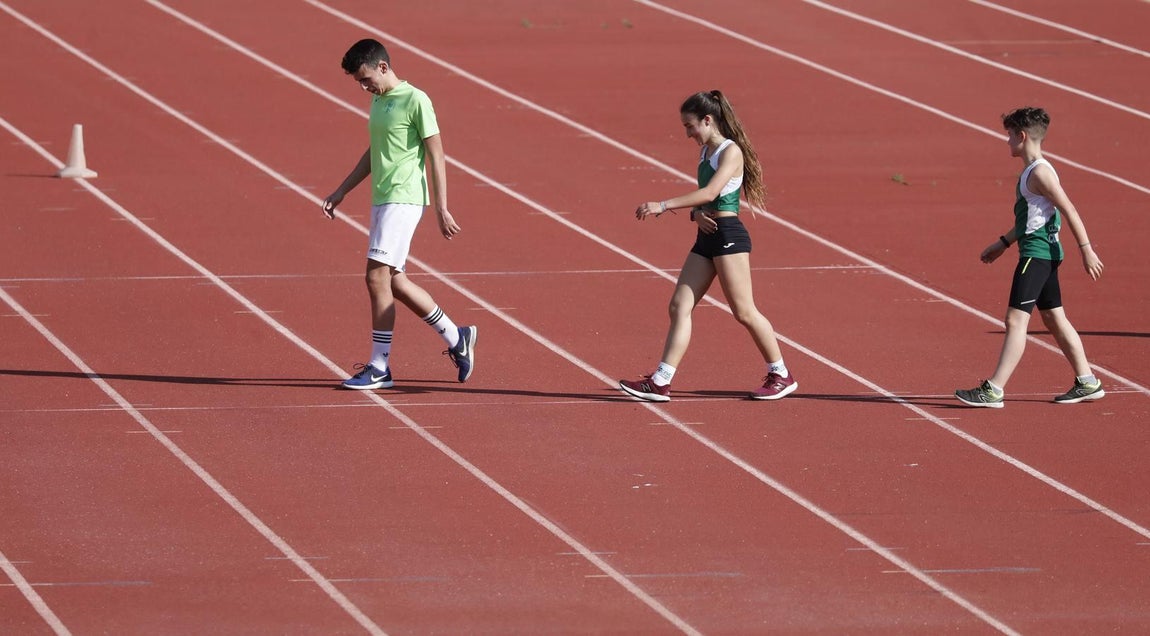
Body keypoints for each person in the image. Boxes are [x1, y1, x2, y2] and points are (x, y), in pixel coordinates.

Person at [619, 90, 797, 403]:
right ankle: (661, 380)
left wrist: (664, 204)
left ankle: (780, 373)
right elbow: (706, 200)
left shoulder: (731, 152)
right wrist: (695, 214)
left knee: (743, 311)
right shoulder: (704, 154)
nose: (688, 134)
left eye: (690, 126)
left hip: (728, 233)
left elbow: (713, 190)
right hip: (707, 233)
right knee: (679, 305)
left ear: (707, 120)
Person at [322, 38, 476, 390]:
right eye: (359, 83)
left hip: (404, 198)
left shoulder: (415, 99)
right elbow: (374, 152)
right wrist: (342, 190)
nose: (363, 87)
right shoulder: (379, 101)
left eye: (366, 79)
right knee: (394, 282)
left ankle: (380, 366)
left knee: (375, 278)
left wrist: (441, 207)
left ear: (383, 67)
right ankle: (457, 337)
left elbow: (436, 153)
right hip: (382, 198)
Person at [956, 107, 1104, 408]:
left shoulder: (1039, 173)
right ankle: (1087, 381)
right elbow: (1034, 218)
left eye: (1010, 136)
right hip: (1043, 253)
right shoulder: (1037, 170)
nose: (1007, 142)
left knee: (1014, 320)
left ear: (1022, 136)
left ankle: (993, 390)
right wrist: (1003, 243)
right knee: (1054, 318)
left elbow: (1069, 209)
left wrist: (1086, 249)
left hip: (1036, 256)